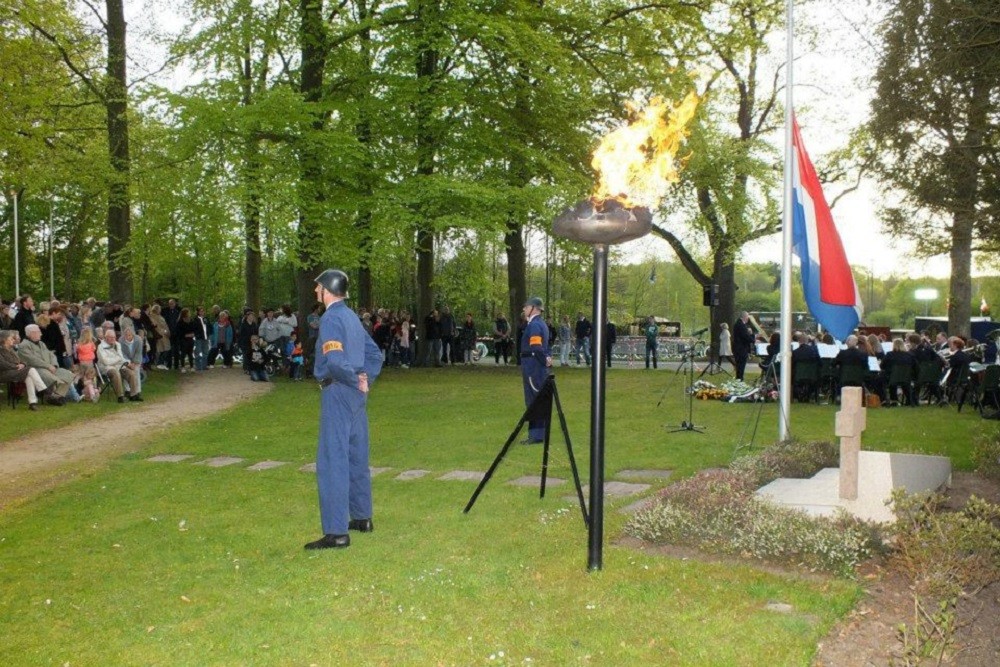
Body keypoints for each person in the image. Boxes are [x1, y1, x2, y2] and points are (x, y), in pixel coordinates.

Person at [305, 269, 383, 550]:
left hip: (338, 391)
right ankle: (362, 518)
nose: (316, 291)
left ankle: (337, 532)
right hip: (355, 396)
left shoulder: (331, 318)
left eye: (318, 287)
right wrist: (365, 379)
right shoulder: (351, 317)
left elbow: (335, 361)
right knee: (356, 455)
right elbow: (375, 353)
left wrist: (354, 378)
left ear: (328, 289)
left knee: (332, 460)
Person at [519, 297, 552, 444]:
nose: (524, 309)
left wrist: (544, 359)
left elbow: (537, 347)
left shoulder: (534, 325)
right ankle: (537, 434)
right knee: (536, 398)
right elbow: (546, 346)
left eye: (526, 307)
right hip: (535, 365)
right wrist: (547, 357)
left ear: (533, 308)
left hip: (533, 366)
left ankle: (536, 435)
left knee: (533, 400)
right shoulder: (541, 324)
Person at [18, 324, 77, 402]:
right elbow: (32, 360)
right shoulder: (24, 345)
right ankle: (51, 396)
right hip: (36, 369)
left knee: (68, 375)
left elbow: (51, 354)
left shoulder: (41, 343)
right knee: (53, 379)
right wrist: (48, 366)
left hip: (51, 367)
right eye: (39, 332)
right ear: (32, 333)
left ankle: (56, 396)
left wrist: (54, 365)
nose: (41, 334)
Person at [0, 329, 52, 410]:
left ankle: (32, 403)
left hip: (15, 372)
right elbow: (2, 364)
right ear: (4, 340)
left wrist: (23, 364)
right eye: (11, 338)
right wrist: (16, 366)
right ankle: (44, 389)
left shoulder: (12, 350)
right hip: (4, 374)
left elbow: (21, 361)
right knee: (30, 369)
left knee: (29, 377)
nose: (13, 340)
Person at [97, 329, 142, 402]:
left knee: (131, 373)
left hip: (119, 366)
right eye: (111, 337)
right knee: (116, 373)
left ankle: (133, 395)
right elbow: (106, 361)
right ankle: (120, 397)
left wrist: (128, 363)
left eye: (114, 337)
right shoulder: (100, 347)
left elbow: (121, 358)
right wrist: (117, 359)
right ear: (106, 337)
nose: (113, 339)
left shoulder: (117, 344)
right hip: (107, 368)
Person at [732, 311, 755, 381]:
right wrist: (753, 338)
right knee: (741, 366)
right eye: (747, 316)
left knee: (739, 366)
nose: (748, 318)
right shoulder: (741, 325)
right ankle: (740, 379)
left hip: (738, 348)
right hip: (741, 349)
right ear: (745, 317)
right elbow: (746, 337)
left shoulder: (739, 324)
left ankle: (739, 379)